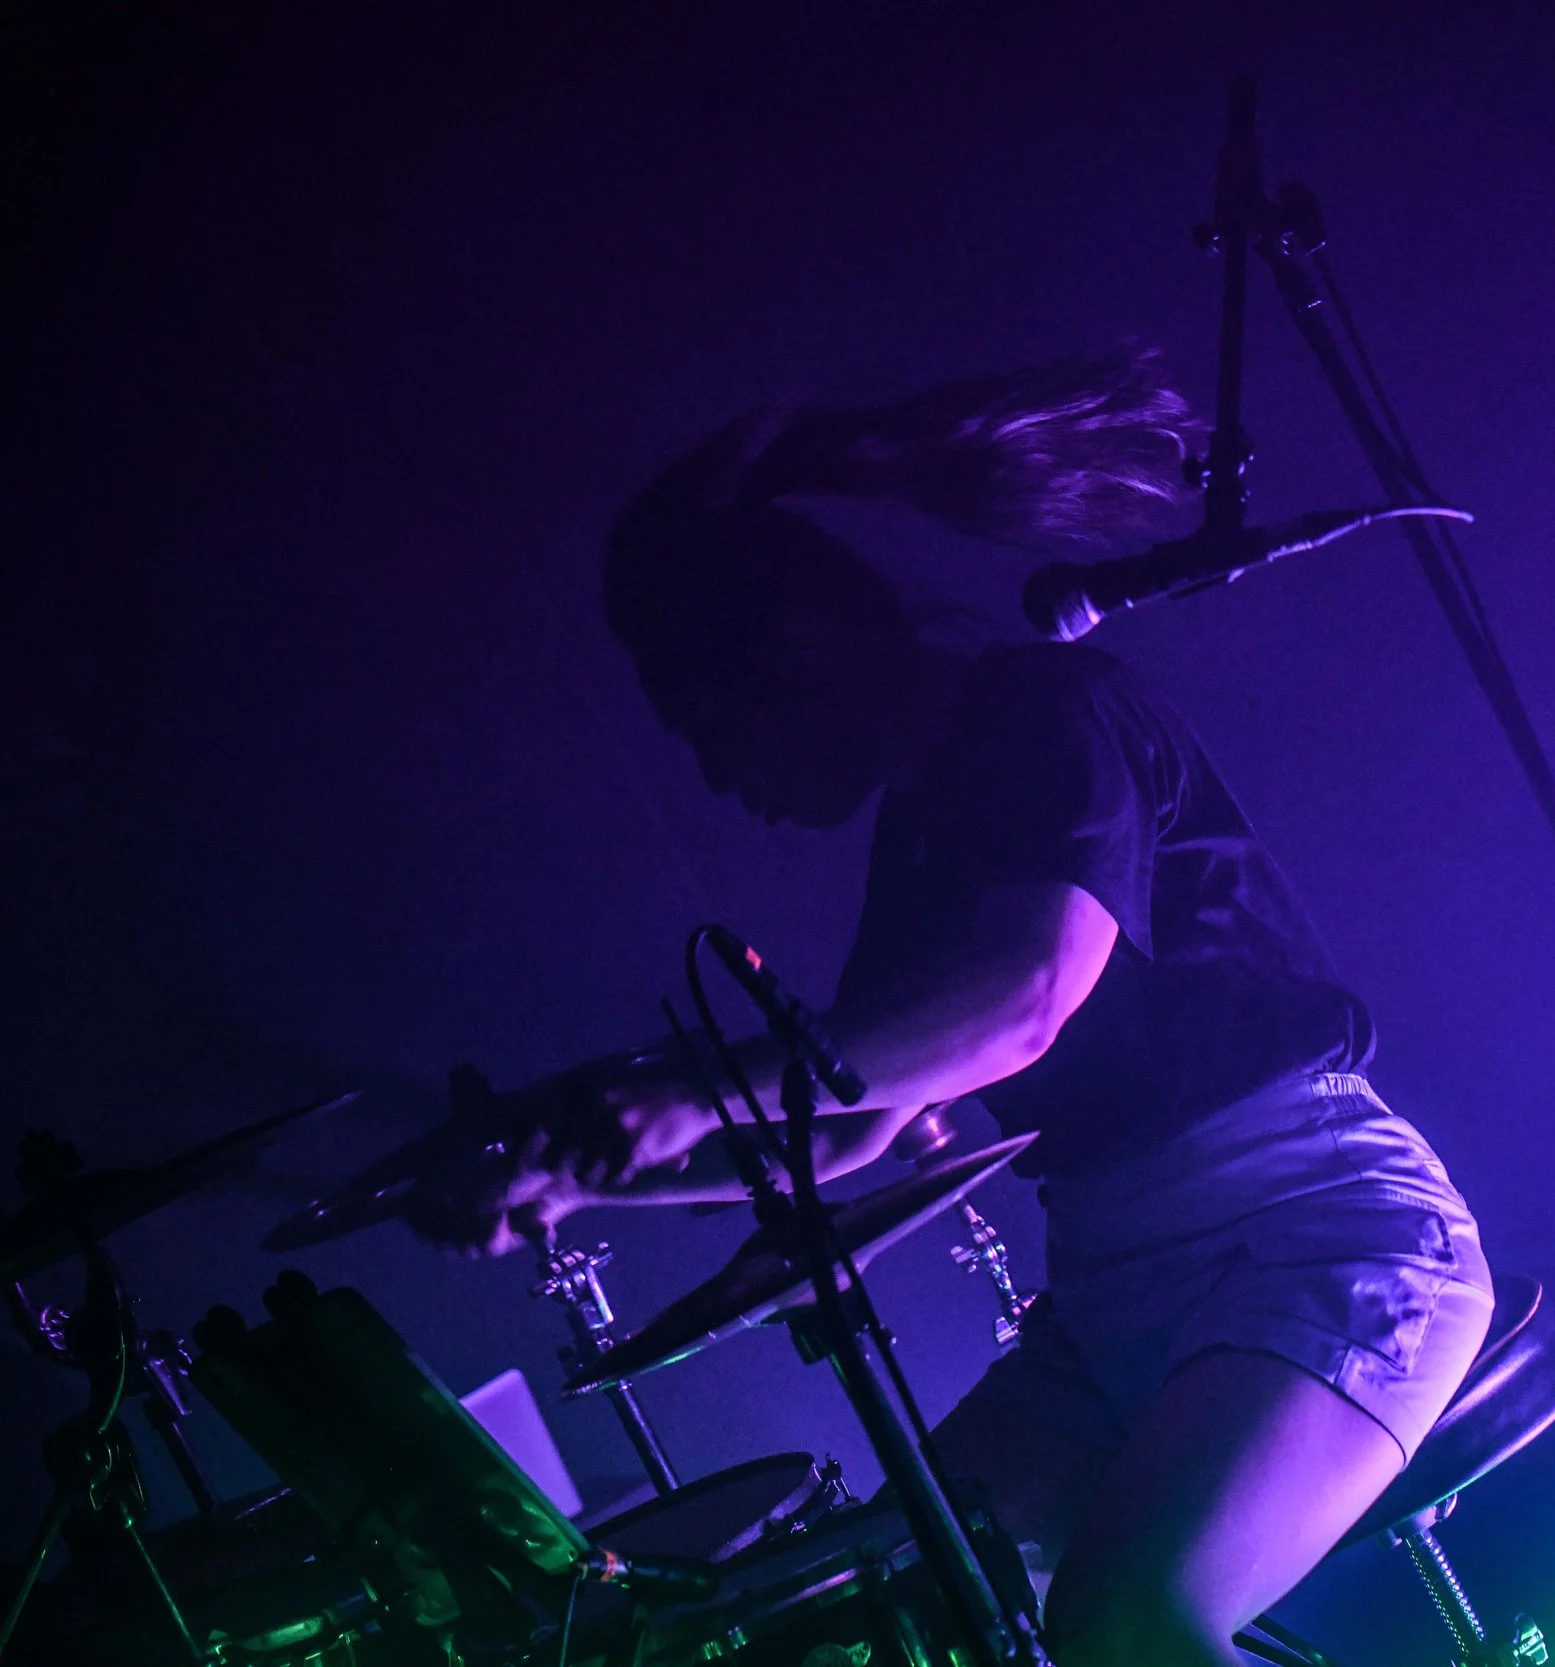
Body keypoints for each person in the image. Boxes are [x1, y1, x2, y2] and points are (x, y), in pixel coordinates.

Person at [414, 351, 1496, 1666]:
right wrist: (579, 1178)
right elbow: (849, 1125)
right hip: (1113, 1293)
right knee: (888, 1605)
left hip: (1316, 1239)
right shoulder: (918, 831)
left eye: (713, 733)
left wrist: (692, 1092)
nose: (724, 782)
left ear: (800, 652)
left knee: (1125, 1624)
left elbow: (1026, 999)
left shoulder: (1050, 708)